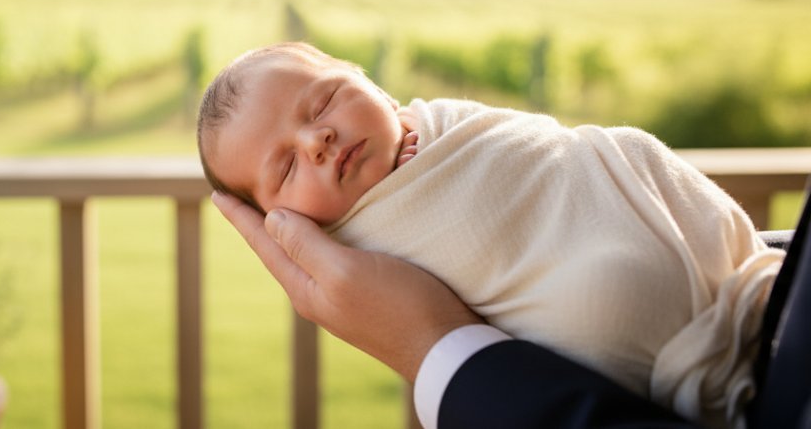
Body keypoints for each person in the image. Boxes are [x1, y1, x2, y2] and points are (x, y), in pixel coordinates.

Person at [197, 42, 784, 428]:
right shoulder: (362, 246)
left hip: (758, 285)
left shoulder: (448, 127)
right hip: (698, 351)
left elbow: (555, 162)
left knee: (625, 147)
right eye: (286, 169)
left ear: (371, 83)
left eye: (324, 100)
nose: (315, 140)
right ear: (284, 225)